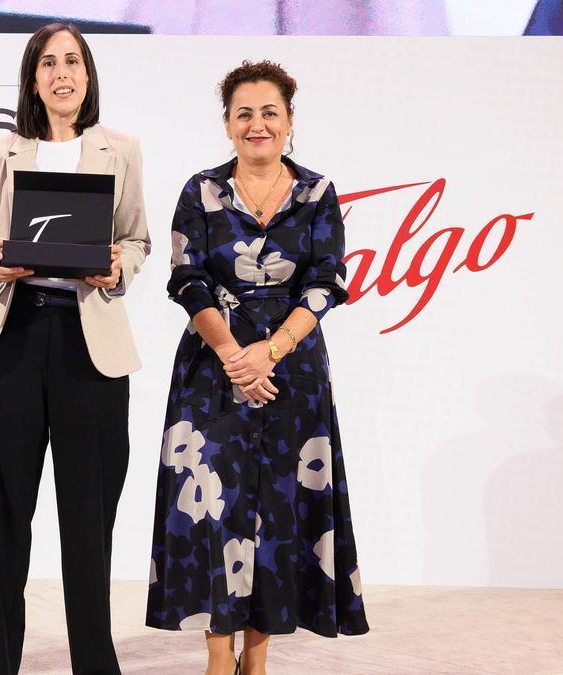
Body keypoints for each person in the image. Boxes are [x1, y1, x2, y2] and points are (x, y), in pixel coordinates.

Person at [146, 60, 369, 675]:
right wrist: (232, 356)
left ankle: (258, 657)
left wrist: (267, 353)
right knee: (216, 511)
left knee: (278, 512)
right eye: (244, 112)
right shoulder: (201, 190)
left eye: (270, 111)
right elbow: (186, 279)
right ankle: (220, 655)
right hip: (211, 372)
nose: (257, 123)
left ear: (289, 120)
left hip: (292, 374)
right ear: (227, 124)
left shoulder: (318, 193)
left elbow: (327, 284)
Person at [0, 22, 150, 675]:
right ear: (32, 78)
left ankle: (95, 664)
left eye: (73, 61)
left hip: (89, 343)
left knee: (88, 520)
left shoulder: (121, 149)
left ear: (88, 75)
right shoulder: (3, 153)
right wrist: (1, 267)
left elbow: (137, 240)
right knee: (2, 517)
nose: (62, 74)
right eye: (49, 63)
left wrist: (115, 268)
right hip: (13, 338)